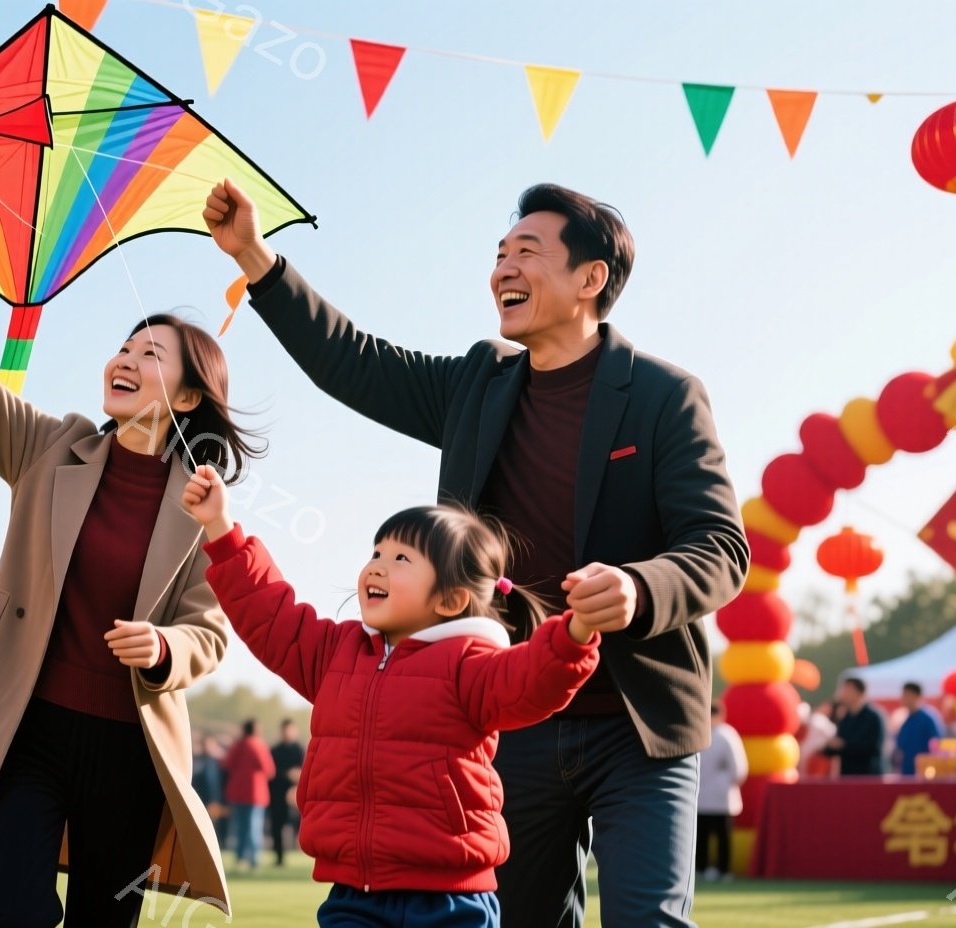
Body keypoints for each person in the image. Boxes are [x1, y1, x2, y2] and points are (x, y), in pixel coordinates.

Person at [202, 179, 747, 927]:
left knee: (646, 920)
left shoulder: (663, 394)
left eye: (528, 252)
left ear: (591, 278)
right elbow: (353, 362)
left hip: (638, 721)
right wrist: (255, 259)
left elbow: (720, 547)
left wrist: (639, 588)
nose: (503, 270)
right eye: (499, 254)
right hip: (507, 712)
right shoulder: (477, 385)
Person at [0, 186, 249, 927]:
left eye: (151, 355)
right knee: (12, 908)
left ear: (189, 398)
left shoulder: (203, 505)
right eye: (125, 347)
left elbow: (210, 632)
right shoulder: (51, 445)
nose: (125, 358)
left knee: (104, 919)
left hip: (132, 749)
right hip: (25, 729)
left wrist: (164, 647)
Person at [183, 469, 599, 927]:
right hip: (353, 895)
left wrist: (577, 632)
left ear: (450, 600)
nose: (377, 566)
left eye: (402, 558)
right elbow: (273, 616)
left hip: (450, 897)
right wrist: (220, 528)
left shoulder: (470, 663)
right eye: (377, 552)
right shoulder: (336, 653)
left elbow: (532, 681)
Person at [696, 702, 747, 882]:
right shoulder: (710, 733)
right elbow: (739, 769)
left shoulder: (725, 734)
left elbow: (738, 769)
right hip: (709, 796)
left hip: (718, 797)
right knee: (706, 836)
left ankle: (719, 869)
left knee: (718, 836)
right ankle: (706, 868)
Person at [223, 719, 275, 872]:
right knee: (254, 827)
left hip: (237, 793)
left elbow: (226, 764)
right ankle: (254, 859)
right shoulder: (259, 745)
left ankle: (240, 857)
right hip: (256, 794)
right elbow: (269, 770)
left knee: (240, 827)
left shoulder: (238, 745)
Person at [824, 678, 885, 776]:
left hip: (868, 776)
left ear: (859, 692)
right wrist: (829, 746)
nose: (843, 693)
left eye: (847, 689)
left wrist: (844, 745)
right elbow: (837, 745)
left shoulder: (873, 717)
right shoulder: (846, 718)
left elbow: (873, 747)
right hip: (847, 776)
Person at [268, 718, 305, 866]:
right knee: (277, 826)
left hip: (296, 794)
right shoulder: (275, 750)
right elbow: (271, 772)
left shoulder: (299, 750)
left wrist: (298, 776)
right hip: (277, 794)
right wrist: (286, 774)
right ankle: (279, 857)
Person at [892, 683, 944, 777]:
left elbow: (937, 745)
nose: (903, 698)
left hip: (923, 774)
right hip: (906, 773)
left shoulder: (928, 719)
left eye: (907, 695)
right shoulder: (906, 720)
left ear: (917, 696)